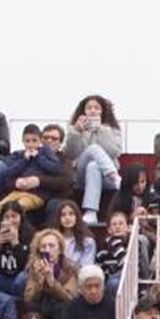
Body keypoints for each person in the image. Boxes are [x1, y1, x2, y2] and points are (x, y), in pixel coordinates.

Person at [63, 95, 123, 224]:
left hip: (105, 178)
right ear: (83, 111)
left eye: (97, 108)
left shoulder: (111, 129)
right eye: (89, 108)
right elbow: (70, 153)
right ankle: (116, 177)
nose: (93, 111)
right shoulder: (75, 128)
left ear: (103, 111)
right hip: (81, 176)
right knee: (93, 149)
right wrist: (77, 131)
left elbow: (114, 152)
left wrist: (101, 130)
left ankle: (91, 212)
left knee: (94, 166)